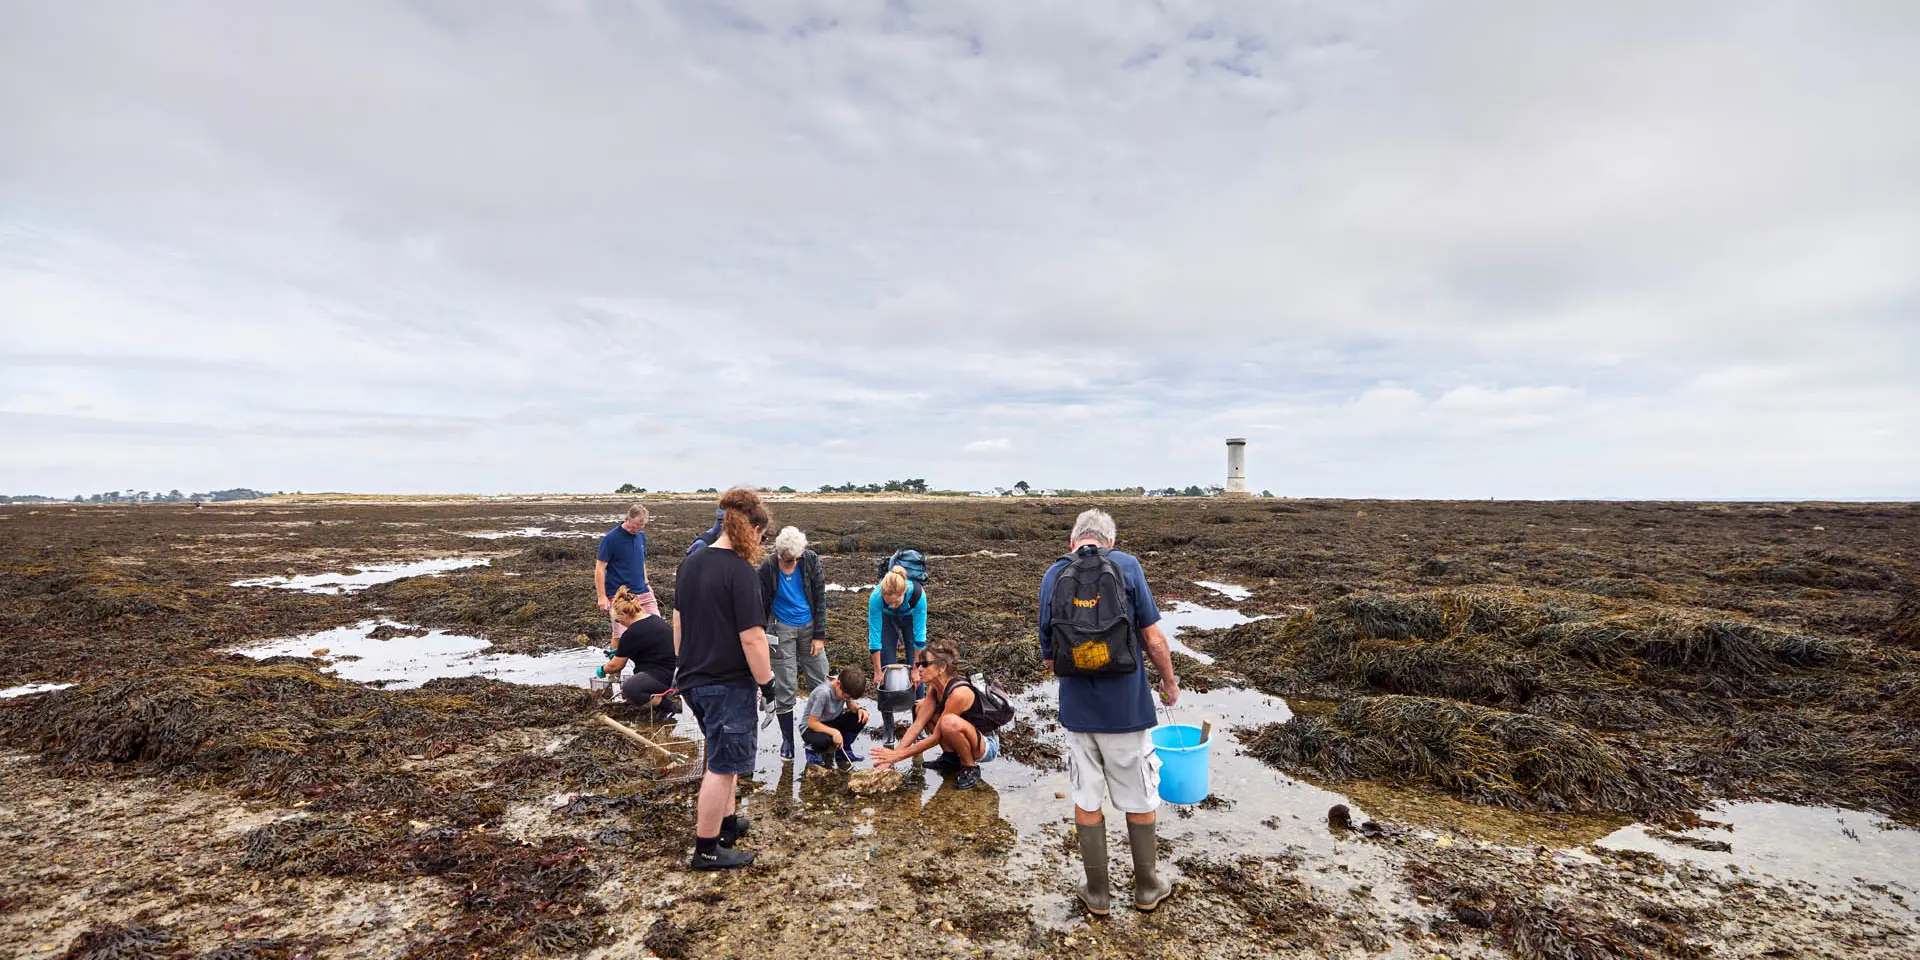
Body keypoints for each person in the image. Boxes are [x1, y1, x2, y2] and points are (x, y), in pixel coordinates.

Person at [1038, 508, 1180, 916]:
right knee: (1138, 796)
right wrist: (1169, 682)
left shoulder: (1053, 575)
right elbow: (1153, 639)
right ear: (1110, 542)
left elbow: (1050, 658)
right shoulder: (1128, 566)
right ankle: (1147, 887)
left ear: (1074, 541)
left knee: (1086, 795)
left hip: (1079, 712)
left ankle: (1097, 893)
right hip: (1128, 710)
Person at [673, 487, 776, 870]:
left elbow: (678, 621)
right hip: (726, 683)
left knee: (724, 754)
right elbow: (752, 637)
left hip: (694, 679)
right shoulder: (740, 572)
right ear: (752, 530)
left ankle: (728, 824)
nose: (762, 543)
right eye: (762, 536)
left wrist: (682, 666)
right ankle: (706, 849)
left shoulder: (692, 563)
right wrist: (767, 684)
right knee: (721, 766)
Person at [869, 640, 999, 790]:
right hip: (967, 735)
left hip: (986, 745)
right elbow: (917, 725)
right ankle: (951, 759)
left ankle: (970, 767)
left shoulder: (959, 693)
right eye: (918, 665)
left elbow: (936, 737)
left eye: (925, 664)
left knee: (948, 723)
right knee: (920, 707)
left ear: (942, 667)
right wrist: (890, 760)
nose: (920, 669)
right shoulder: (935, 688)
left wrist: (898, 756)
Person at [757, 526, 830, 761]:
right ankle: (788, 740)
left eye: (793, 560)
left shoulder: (810, 561)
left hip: (809, 627)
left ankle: (817, 736)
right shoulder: (767, 568)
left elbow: (820, 596)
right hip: (781, 629)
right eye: (785, 559)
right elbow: (759, 602)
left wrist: (819, 635)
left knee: (820, 680)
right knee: (785, 686)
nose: (789, 564)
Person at [867, 564, 927, 746]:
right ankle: (888, 729)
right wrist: (877, 671)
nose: (892, 604)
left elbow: (920, 637)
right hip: (887, 620)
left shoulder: (917, 595)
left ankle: (919, 726)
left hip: (910, 620)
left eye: (896, 601)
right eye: (889, 601)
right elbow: (875, 637)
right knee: (885, 672)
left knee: (918, 675)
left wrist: (916, 669)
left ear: (904, 592)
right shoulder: (876, 598)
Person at [597, 586, 678, 721]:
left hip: (664, 677)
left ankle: (667, 706)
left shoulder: (632, 633)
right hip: (676, 672)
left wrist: (602, 670)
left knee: (630, 689)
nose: (620, 624)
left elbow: (615, 666)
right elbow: (646, 645)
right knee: (637, 682)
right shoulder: (653, 619)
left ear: (623, 615)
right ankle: (661, 698)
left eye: (618, 621)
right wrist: (620, 651)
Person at [596, 504, 656, 638]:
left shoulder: (641, 535)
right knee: (621, 637)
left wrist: (647, 583)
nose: (636, 530)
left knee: (657, 629)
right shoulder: (610, 539)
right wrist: (602, 597)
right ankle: (614, 657)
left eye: (640, 527)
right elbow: (600, 569)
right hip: (620, 596)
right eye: (634, 527)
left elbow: (641, 561)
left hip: (643, 592)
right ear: (626, 519)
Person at [801, 667, 870, 768]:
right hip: (811, 728)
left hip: (832, 720)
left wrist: (859, 709)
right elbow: (812, 723)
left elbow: (851, 705)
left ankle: (843, 751)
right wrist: (835, 732)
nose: (846, 699)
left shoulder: (846, 683)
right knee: (823, 741)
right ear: (838, 684)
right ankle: (812, 751)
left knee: (860, 717)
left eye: (849, 697)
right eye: (845, 696)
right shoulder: (823, 693)